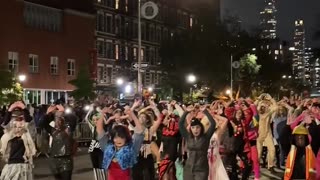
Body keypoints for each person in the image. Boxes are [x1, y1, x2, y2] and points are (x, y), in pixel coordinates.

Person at [96, 104, 144, 180]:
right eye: (116, 137)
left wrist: (132, 113)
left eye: (121, 137)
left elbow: (139, 131)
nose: (118, 140)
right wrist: (102, 114)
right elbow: (99, 130)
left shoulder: (131, 149)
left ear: (126, 138)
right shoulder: (108, 147)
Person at [0, 102, 36, 180]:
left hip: (24, 166)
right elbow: (4, 123)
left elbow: (30, 123)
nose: (18, 123)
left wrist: (24, 108)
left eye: (21, 119)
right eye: (15, 119)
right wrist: (10, 110)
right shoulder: (7, 135)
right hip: (10, 167)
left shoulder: (27, 135)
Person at [179, 105, 216, 180]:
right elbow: (180, 123)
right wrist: (186, 112)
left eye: (197, 127)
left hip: (201, 169)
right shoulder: (188, 136)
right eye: (193, 128)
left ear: (201, 128)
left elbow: (213, 124)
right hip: (188, 168)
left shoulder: (206, 137)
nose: (195, 130)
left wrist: (205, 111)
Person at [41, 105, 75, 180]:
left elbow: (73, 120)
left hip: (66, 160)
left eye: (61, 117)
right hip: (54, 160)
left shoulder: (68, 129)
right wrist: (47, 113)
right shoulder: (53, 130)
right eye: (57, 118)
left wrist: (65, 112)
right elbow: (43, 124)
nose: (59, 120)